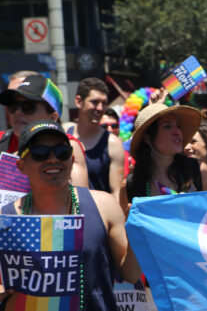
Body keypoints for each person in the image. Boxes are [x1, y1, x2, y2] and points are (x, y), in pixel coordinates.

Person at [0, 119, 141, 310]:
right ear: (21, 165)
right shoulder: (8, 218)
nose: (53, 159)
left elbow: (130, 275)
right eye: (40, 153)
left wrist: (137, 235)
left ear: (72, 160)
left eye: (62, 152)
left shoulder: (104, 205)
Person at [0, 75, 89, 187]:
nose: (18, 112)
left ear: (52, 118)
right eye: (13, 106)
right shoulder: (1, 139)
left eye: (28, 107)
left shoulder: (69, 146)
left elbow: (79, 200)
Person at [122, 103, 207, 203]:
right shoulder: (132, 184)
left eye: (178, 126)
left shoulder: (198, 170)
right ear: (147, 138)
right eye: (167, 126)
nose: (177, 132)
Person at [65, 77, 125, 199]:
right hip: (68, 215)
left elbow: (117, 193)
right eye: (95, 102)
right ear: (78, 101)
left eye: (104, 103)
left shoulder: (113, 143)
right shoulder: (64, 136)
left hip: (100, 214)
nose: (100, 108)